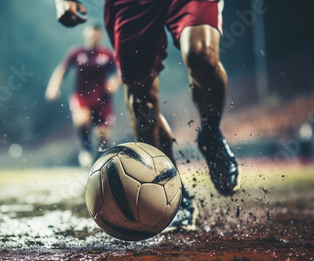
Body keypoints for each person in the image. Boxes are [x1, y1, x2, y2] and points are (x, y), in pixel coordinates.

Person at [54, 0, 241, 230]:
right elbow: (64, 68)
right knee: (141, 97)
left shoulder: (102, 54)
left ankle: (210, 134)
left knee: (200, 52)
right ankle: (173, 190)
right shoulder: (77, 53)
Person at [45, 23, 120, 167]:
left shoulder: (107, 54)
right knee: (82, 120)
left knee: (103, 136)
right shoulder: (76, 53)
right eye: (91, 33)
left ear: (101, 35)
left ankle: (101, 166)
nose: (94, 37)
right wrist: (53, 86)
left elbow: (119, 72)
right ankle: (86, 149)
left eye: (97, 33)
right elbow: (62, 70)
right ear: (86, 34)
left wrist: (115, 82)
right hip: (82, 97)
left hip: (103, 99)